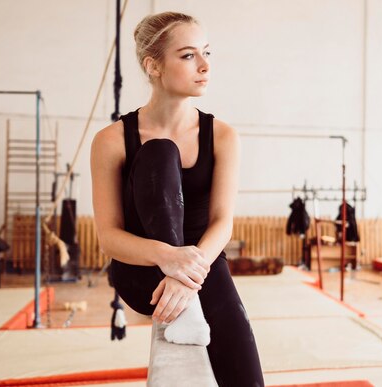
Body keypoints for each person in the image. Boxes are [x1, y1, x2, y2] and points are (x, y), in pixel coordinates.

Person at [90, 11, 264, 386]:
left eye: (207, 53)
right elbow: (109, 236)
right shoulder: (112, 140)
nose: (204, 66)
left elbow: (222, 222)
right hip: (143, 269)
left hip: (201, 268)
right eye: (188, 56)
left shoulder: (222, 136)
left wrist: (188, 275)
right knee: (159, 152)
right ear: (153, 66)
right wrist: (168, 258)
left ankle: (189, 295)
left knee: (245, 374)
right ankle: (185, 294)